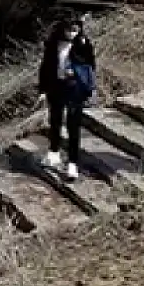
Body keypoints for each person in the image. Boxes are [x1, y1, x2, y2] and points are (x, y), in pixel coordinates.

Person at [40, 16, 97, 180]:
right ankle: (53, 152)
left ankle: (72, 163)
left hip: (75, 89)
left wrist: (78, 73)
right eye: (69, 30)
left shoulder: (83, 43)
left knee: (73, 126)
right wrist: (43, 89)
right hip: (56, 86)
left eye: (75, 30)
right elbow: (45, 66)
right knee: (55, 121)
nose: (72, 33)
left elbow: (91, 66)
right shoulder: (53, 43)